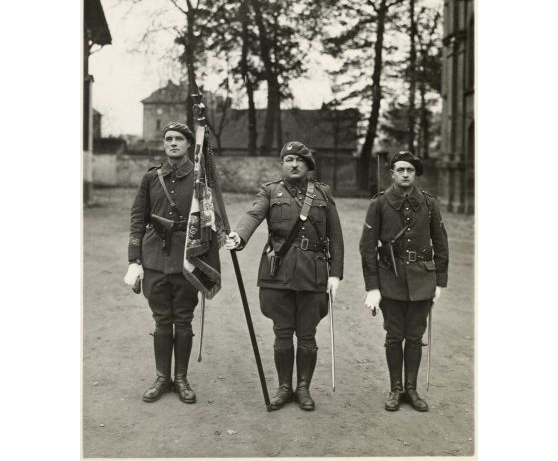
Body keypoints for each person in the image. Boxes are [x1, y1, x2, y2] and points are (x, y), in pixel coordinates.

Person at [225, 141, 344, 411]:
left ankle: (303, 388)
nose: (294, 164)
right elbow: (253, 215)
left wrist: (335, 274)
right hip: (277, 273)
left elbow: (335, 237)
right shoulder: (270, 191)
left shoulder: (323, 194)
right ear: (282, 163)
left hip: (313, 274)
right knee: (282, 333)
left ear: (308, 165)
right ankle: (284, 387)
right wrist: (238, 235)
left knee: (306, 335)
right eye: (288, 159)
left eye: (299, 160)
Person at [359, 151, 449, 412]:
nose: (405, 174)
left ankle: (411, 388)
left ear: (416, 173)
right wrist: (372, 287)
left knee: (415, 335)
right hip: (391, 278)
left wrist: (440, 281)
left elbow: (441, 244)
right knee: (394, 334)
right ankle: (395, 389)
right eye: (400, 170)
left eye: (410, 170)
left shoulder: (429, 204)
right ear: (392, 173)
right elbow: (367, 247)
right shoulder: (379, 203)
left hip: (423, 278)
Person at [123, 121, 200, 404]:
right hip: (155, 258)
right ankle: (162, 377)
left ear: (189, 144)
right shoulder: (151, 178)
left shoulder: (200, 178)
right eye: (168, 139)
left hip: (186, 260)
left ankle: (181, 378)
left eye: (179, 138)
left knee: (184, 319)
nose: (173, 143)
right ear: (164, 144)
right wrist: (135, 260)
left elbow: (210, 221)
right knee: (161, 320)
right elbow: (137, 220)